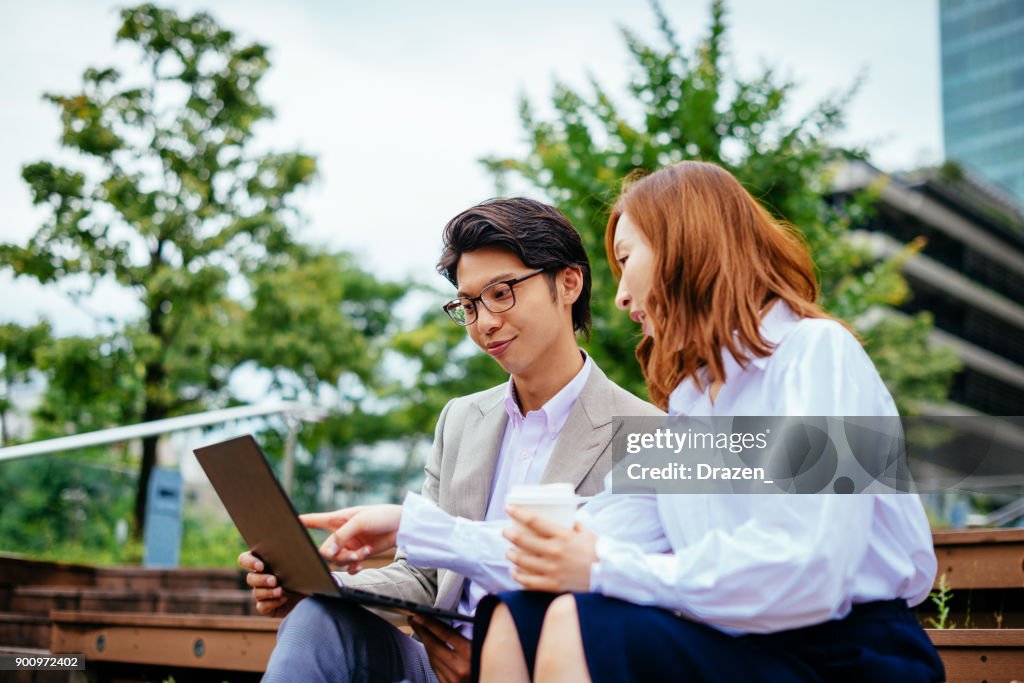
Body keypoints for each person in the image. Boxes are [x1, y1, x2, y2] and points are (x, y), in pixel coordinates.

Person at [472, 162, 946, 682]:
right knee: (517, 615)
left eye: (627, 261)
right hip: (744, 643)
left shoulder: (815, 353)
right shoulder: (693, 406)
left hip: (851, 657)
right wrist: (416, 531)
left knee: (578, 621)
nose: (621, 295)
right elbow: (593, 530)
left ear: (686, 249)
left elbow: (813, 568)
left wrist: (607, 567)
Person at [237, 197, 662, 683]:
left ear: (568, 282)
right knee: (315, 618)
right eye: (468, 304)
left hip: (545, 662)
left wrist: (495, 666)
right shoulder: (461, 420)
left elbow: (612, 594)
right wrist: (320, 586)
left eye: (501, 293)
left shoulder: (650, 434)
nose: (484, 323)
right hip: (434, 666)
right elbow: (424, 576)